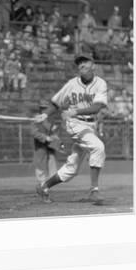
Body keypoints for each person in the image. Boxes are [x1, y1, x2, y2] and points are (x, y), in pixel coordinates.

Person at [34, 53, 108, 204]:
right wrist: (45, 115)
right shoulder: (71, 84)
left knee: (71, 169)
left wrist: (76, 110)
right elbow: (56, 102)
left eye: (85, 62)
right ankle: (94, 190)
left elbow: (97, 107)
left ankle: (44, 187)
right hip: (75, 124)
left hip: (90, 125)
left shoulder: (101, 84)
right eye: (79, 63)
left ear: (93, 65)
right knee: (98, 147)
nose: (82, 65)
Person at [31, 100, 60, 193]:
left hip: (50, 148)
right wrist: (45, 137)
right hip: (40, 147)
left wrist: (53, 137)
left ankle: (47, 186)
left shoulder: (50, 119)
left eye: (45, 108)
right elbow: (34, 132)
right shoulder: (36, 119)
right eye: (42, 108)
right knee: (40, 168)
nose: (43, 110)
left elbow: (54, 132)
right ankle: (42, 188)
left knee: (53, 170)